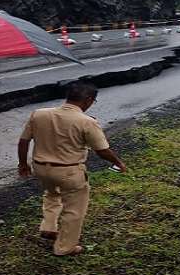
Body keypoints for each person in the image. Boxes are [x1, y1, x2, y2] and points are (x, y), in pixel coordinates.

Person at [17, 82, 126, 256]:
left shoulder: (39, 114)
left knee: (52, 193)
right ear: (88, 100)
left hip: (41, 168)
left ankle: (49, 226)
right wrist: (118, 162)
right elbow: (102, 150)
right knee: (74, 210)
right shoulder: (87, 122)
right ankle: (64, 248)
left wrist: (23, 164)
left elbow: (24, 141)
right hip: (69, 171)